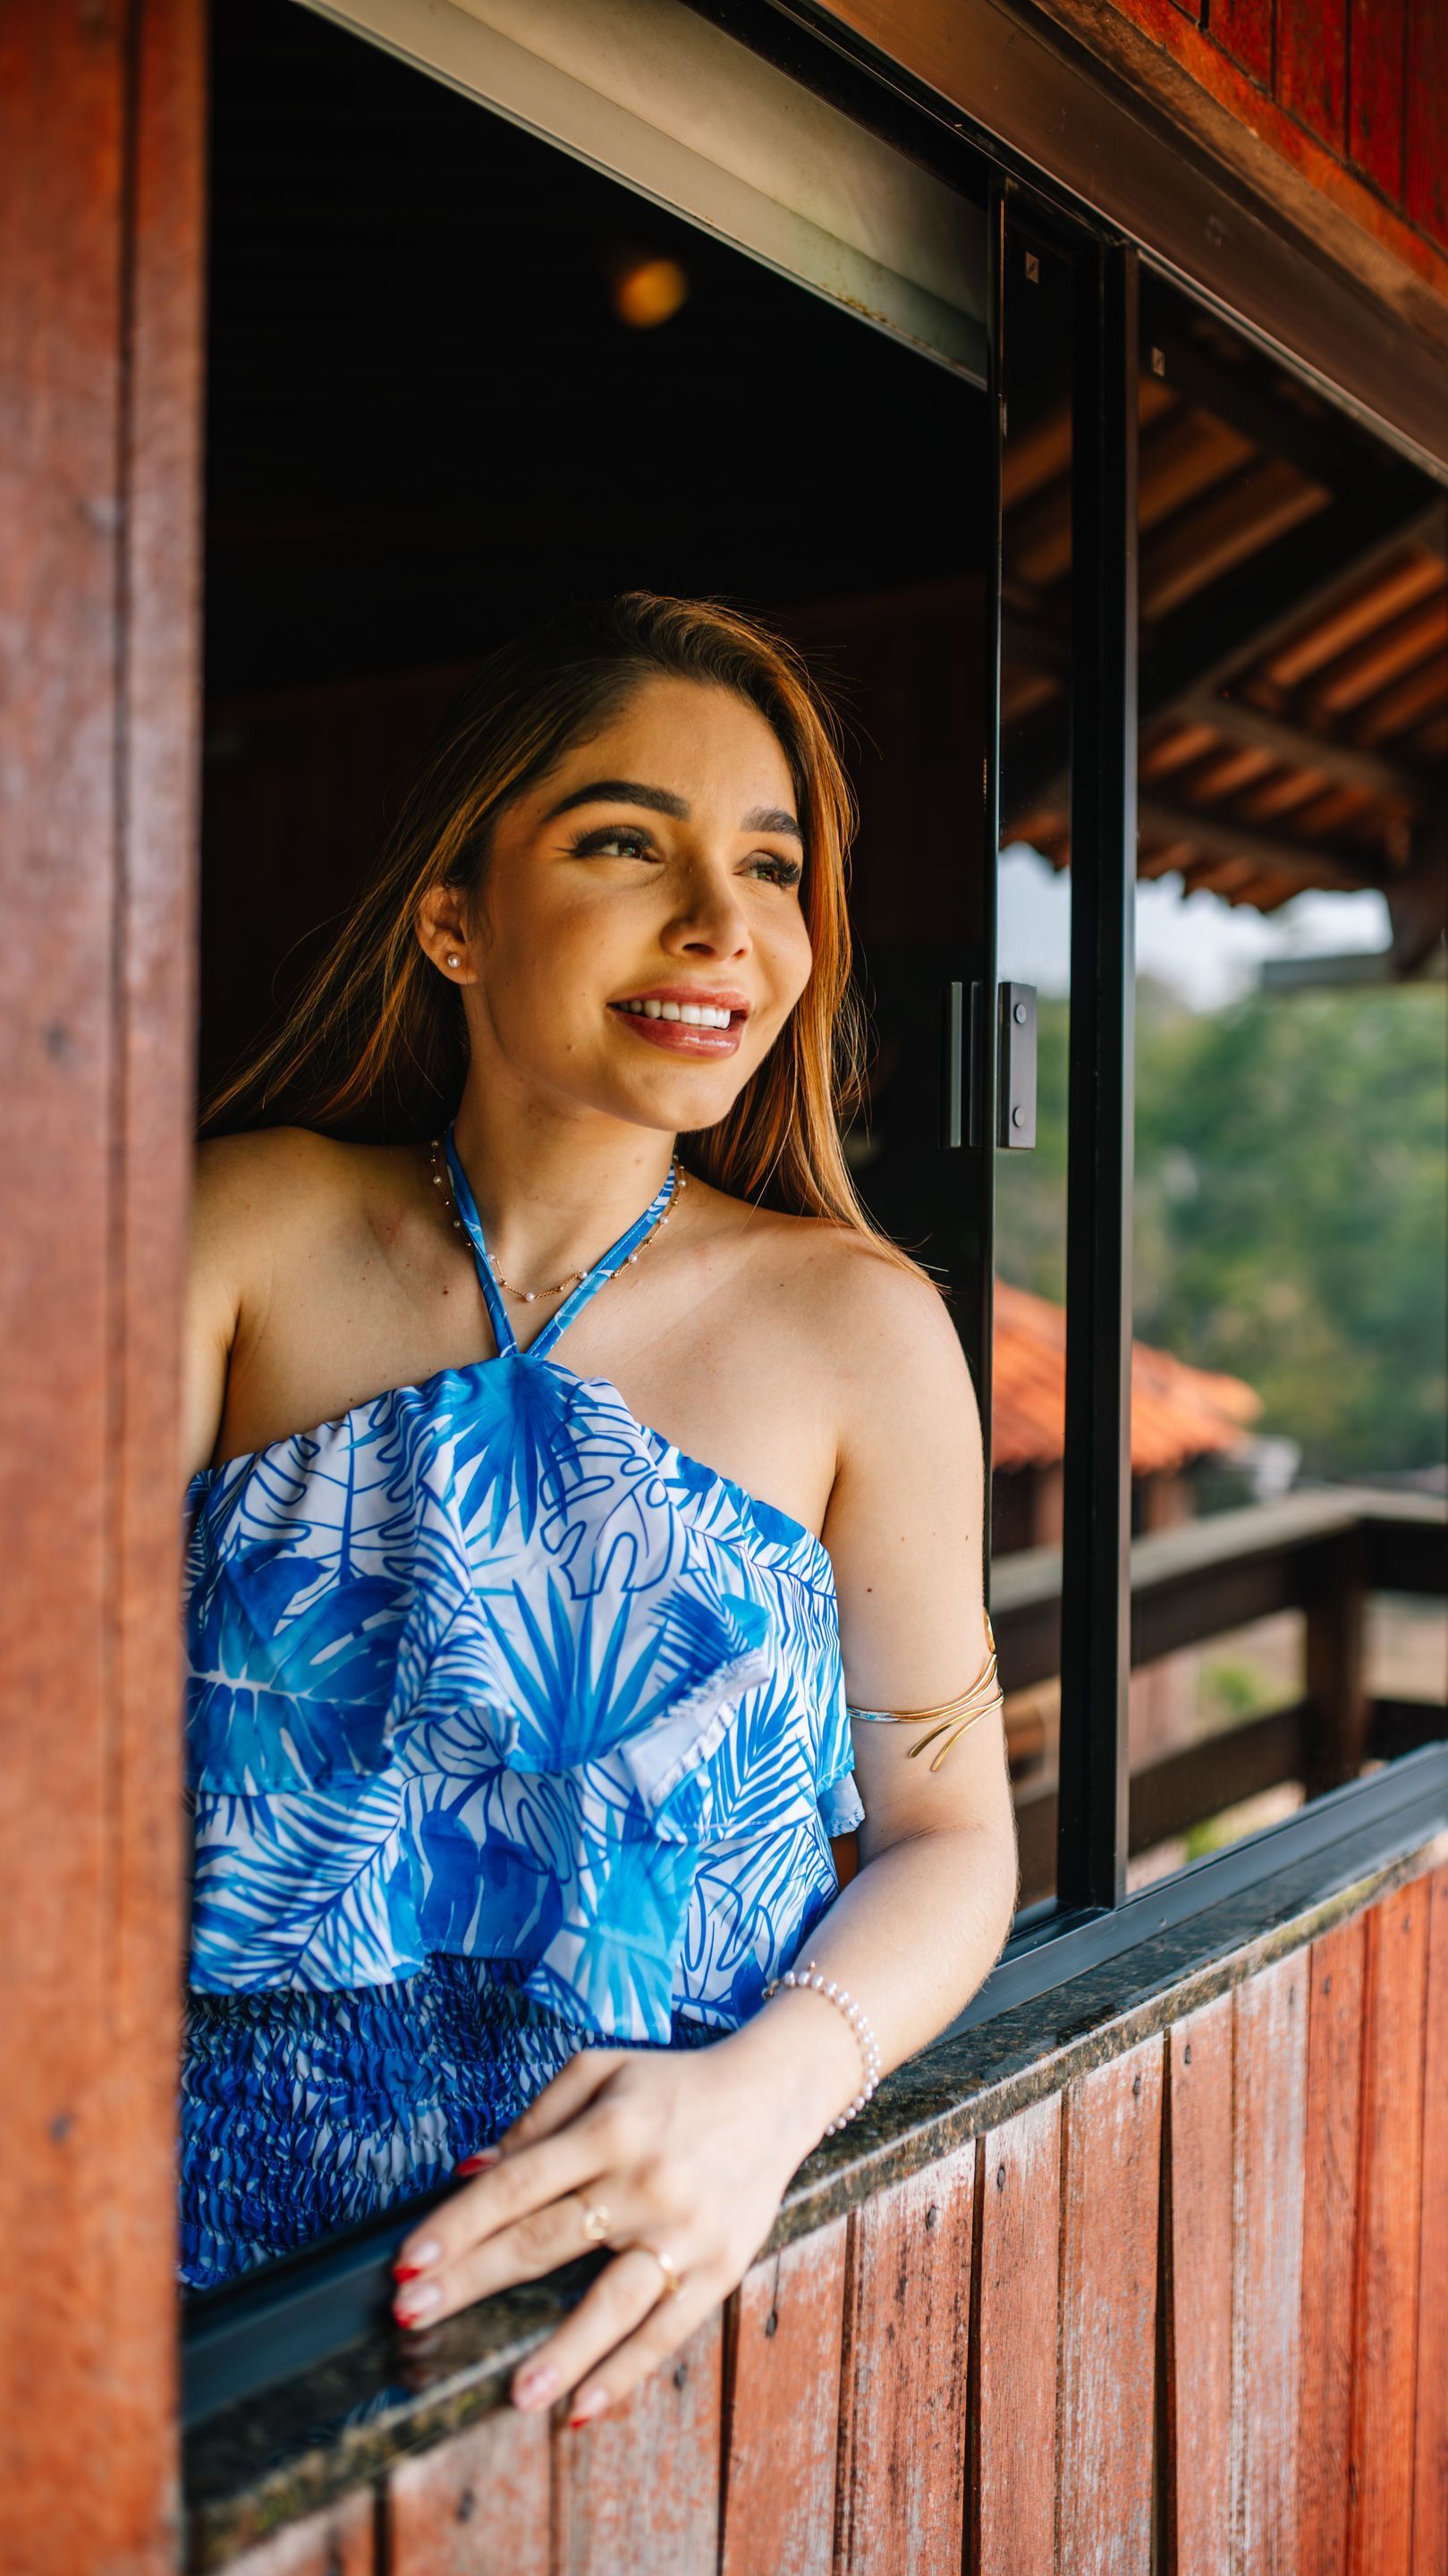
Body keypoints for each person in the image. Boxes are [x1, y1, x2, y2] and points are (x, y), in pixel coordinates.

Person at [180, 592, 1019, 2424]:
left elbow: (952, 1837)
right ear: (454, 915)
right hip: (183, 2274)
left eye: (771, 865)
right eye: (629, 840)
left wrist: (766, 2102)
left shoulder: (858, 1330)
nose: (727, 924)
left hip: (643, 2279)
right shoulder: (240, 1234)